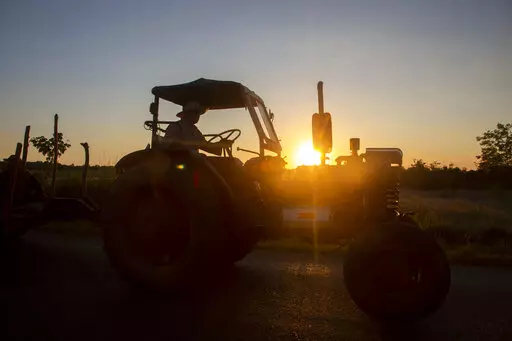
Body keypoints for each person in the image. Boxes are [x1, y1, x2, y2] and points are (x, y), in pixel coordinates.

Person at [163, 101, 228, 156]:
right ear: (187, 114)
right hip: (179, 162)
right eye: (195, 113)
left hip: (193, 162)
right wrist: (194, 154)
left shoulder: (195, 130)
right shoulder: (175, 127)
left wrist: (221, 144)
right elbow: (171, 146)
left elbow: (205, 145)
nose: (198, 116)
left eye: (198, 113)